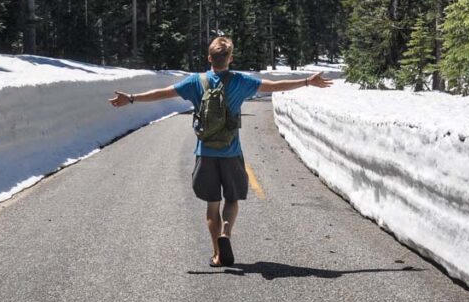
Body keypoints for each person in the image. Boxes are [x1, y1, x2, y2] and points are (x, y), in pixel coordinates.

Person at [108, 36, 332, 267]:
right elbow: (273, 87)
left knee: (211, 206)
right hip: (231, 153)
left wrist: (132, 98)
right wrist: (307, 81)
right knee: (232, 199)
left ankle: (217, 254)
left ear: (209, 58)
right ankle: (226, 231)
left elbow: (165, 93)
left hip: (205, 153)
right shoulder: (240, 81)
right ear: (230, 59)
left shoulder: (196, 81)